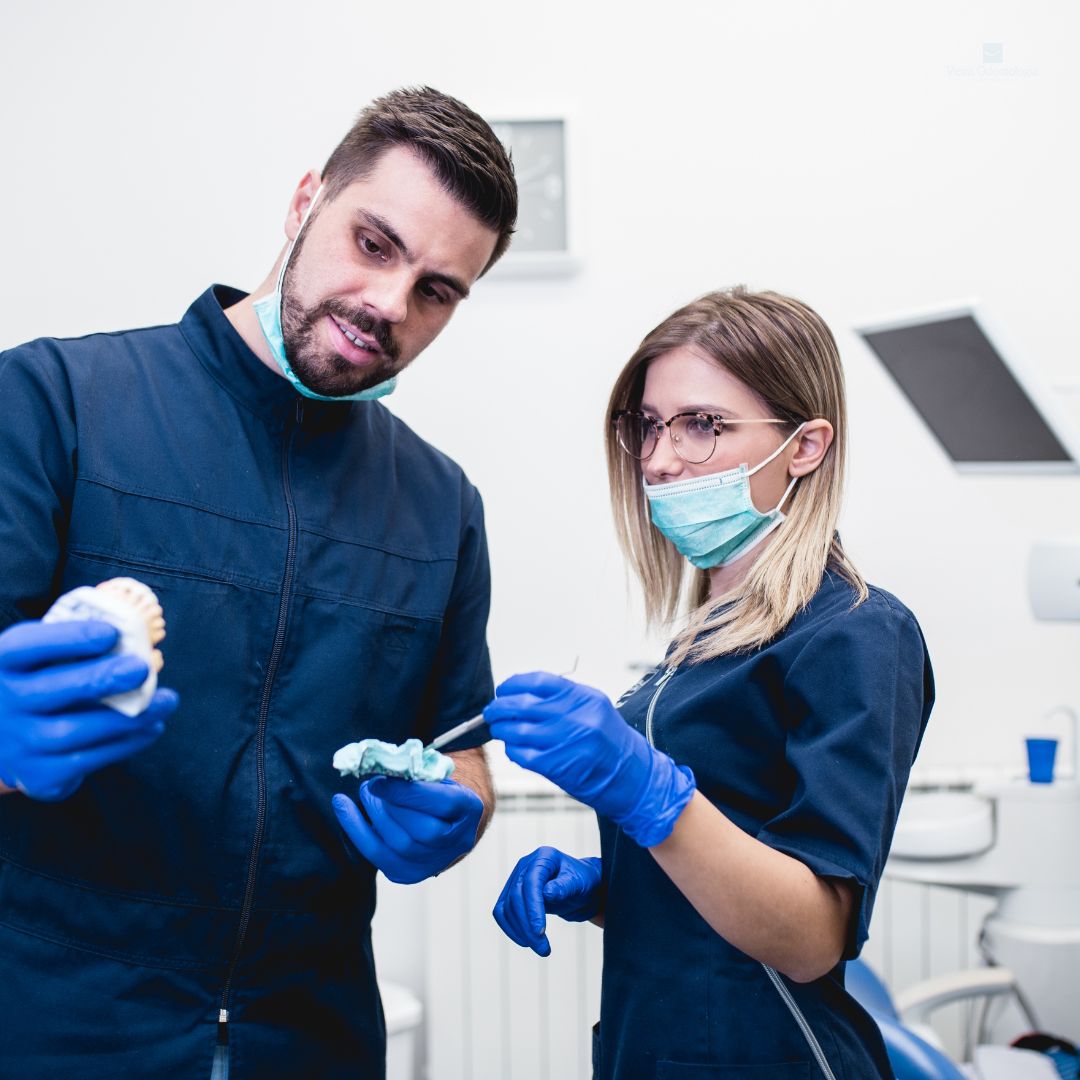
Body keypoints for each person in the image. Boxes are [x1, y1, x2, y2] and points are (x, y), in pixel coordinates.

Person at [0, 86, 516, 1078]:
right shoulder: (56, 405)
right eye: (374, 243)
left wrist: (455, 810)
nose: (389, 304)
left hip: (312, 1036)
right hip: (59, 1025)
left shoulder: (440, 508)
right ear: (303, 201)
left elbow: (463, 753)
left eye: (437, 289)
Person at [486, 288, 934, 1078]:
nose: (659, 459)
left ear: (805, 446)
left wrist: (645, 789)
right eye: (650, 425)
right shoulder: (709, 631)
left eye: (702, 425)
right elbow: (733, 855)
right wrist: (607, 889)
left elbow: (809, 939)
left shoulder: (856, 632)